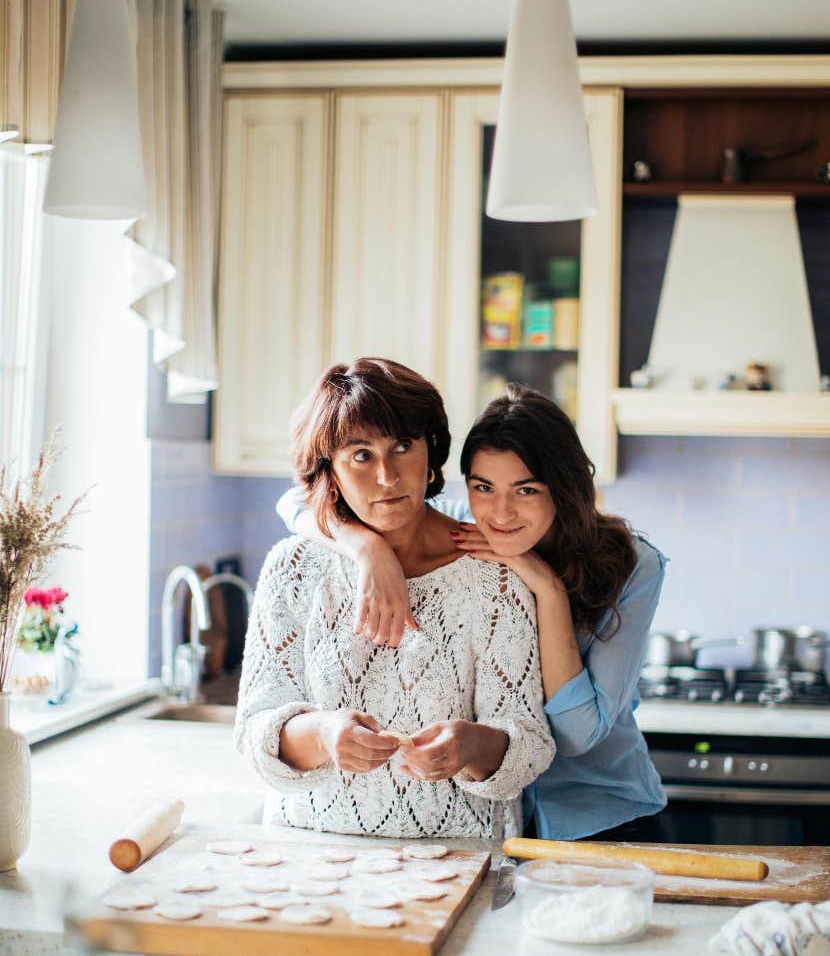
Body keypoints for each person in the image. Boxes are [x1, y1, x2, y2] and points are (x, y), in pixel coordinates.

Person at [279, 383, 667, 843]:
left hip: (597, 813)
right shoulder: (466, 524)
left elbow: (579, 736)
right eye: (484, 486)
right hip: (499, 819)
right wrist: (366, 548)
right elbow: (296, 503)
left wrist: (545, 586)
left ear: (564, 489)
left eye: (526, 489)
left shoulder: (632, 562)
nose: (501, 513)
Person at [235, 359, 556, 839]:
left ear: (431, 454)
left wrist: (472, 746)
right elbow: (254, 735)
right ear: (331, 471)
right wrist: (323, 733)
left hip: (461, 857)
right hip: (309, 858)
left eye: (403, 446)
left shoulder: (495, 575)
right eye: (360, 455)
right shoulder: (292, 569)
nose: (388, 475)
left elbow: (529, 744)